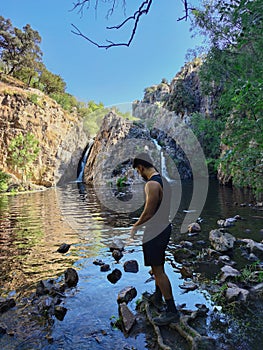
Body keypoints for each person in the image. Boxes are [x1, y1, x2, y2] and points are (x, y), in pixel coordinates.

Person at [131, 153, 180, 326]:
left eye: (138, 171)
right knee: (158, 265)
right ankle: (157, 296)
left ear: (142, 168)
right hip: (165, 228)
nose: (139, 174)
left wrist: (135, 226)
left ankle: (172, 311)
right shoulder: (164, 181)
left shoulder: (151, 184)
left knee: (158, 271)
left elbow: (149, 212)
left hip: (155, 231)